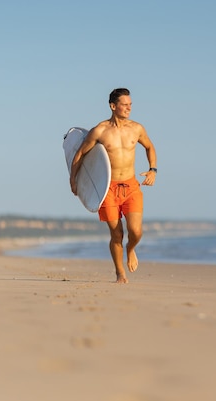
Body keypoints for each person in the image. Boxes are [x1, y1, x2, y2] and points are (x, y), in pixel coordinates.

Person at [70, 88, 157, 283]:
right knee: (116, 233)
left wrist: (153, 169)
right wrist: (73, 179)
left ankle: (131, 248)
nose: (129, 108)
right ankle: (120, 273)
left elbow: (150, 147)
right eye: (125, 105)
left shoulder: (137, 129)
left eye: (130, 105)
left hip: (131, 186)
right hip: (107, 189)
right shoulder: (100, 131)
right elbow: (80, 154)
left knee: (136, 231)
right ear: (113, 106)